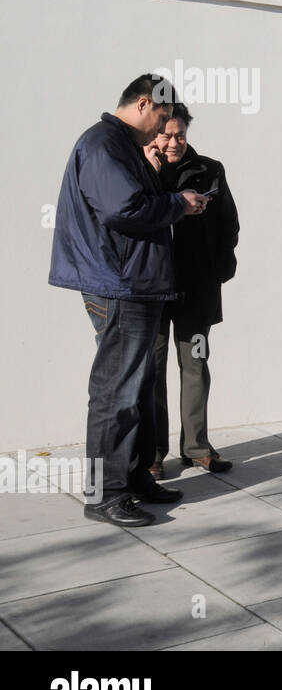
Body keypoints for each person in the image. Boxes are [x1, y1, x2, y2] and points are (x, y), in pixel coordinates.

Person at [49, 74, 210, 527]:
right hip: (119, 284)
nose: (162, 129)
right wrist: (179, 203)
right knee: (115, 392)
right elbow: (124, 210)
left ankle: (135, 478)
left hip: (134, 281)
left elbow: (135, 201)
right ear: (144, 103)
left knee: (136, 389)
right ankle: (106, 495)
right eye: (162, 117)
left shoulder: (122, 147)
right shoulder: (103, 144)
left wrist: (159, 180)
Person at [146, 103, 240, 476]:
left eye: (180, 134)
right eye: (166, 134)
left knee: (195, 364)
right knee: (150, 369)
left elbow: (229, 223)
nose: (173, 142)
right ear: (154, 133)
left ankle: (197, 446)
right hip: (149, 290)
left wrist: (217, 270)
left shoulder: (209, 170)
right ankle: (152, 454)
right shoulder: (139, 169)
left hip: (195, 289)